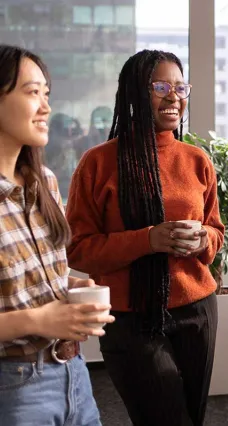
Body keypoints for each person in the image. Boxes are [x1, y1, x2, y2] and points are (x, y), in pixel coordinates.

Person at [65, 50, 224, 426]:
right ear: (136, 92)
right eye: (161, 86)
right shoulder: (98, 163)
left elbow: (216, 231)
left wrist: (203, 240)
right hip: (131, 319)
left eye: (180, 87)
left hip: (197, 310)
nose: (174, 96)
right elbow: (79, 249)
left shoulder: (196, 159)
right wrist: (147, 240)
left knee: (192, 416)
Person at [0, 44, 114, 425]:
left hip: (72, 372)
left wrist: (71, 286)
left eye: (46, 94)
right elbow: (32, 313)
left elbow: (35, 276)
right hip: (13, 388)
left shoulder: (44, 182)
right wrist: (37, 321)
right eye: (33, 93)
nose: (46, 107)